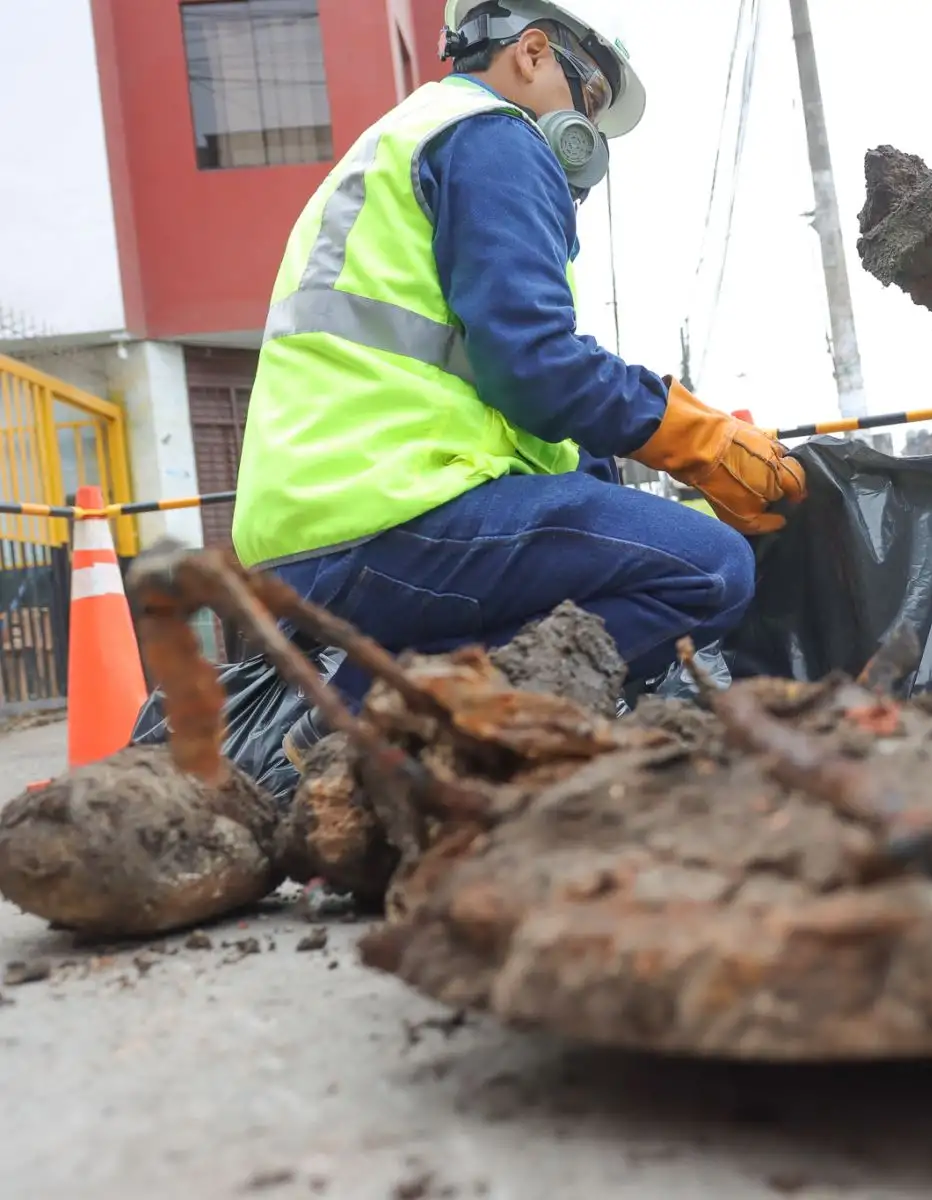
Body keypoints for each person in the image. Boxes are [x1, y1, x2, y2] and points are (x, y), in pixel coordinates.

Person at [232, 0, 806, 759]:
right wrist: (700, 439)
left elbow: (528, 399)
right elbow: (534, 364)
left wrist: (622, 485)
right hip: (395, 513)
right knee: (707, 571)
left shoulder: (410, 136)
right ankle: (376, 731)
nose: (591, 132)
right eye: (591, 99)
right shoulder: (494, 138)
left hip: (319, 525)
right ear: (532, 53)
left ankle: (359, 711)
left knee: (641, 546)